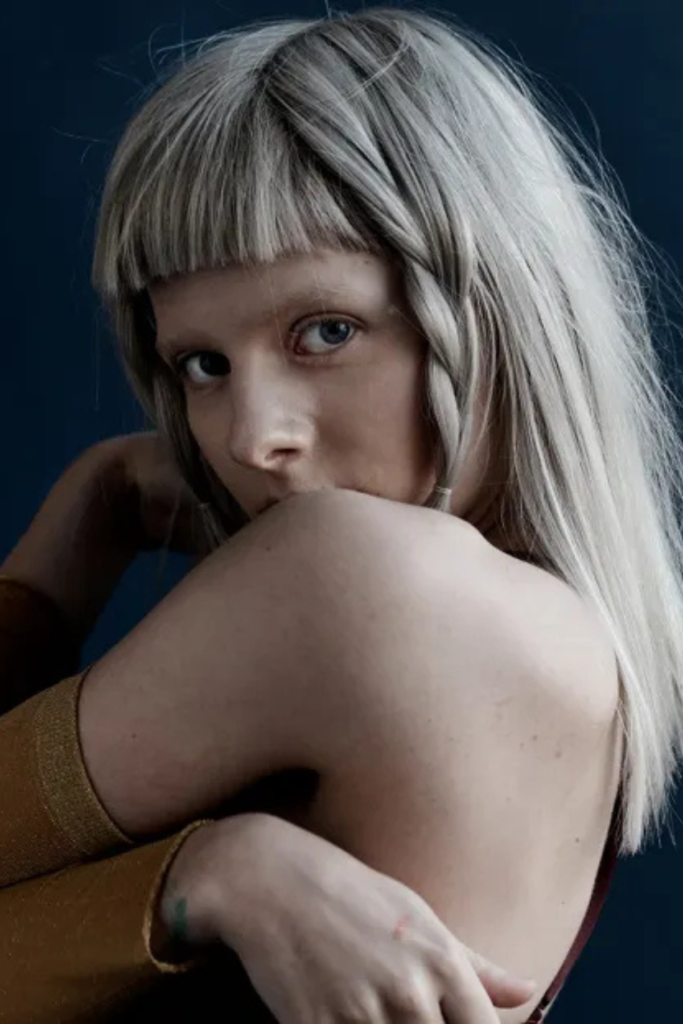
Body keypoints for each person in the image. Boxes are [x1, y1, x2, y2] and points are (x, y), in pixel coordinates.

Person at [2, 4, 683, 1021]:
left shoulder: (361, 575)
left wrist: (198, 880)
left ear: (502, 308)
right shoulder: (580, 651)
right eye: (203, 363)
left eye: (325, 331)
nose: (249, 438)